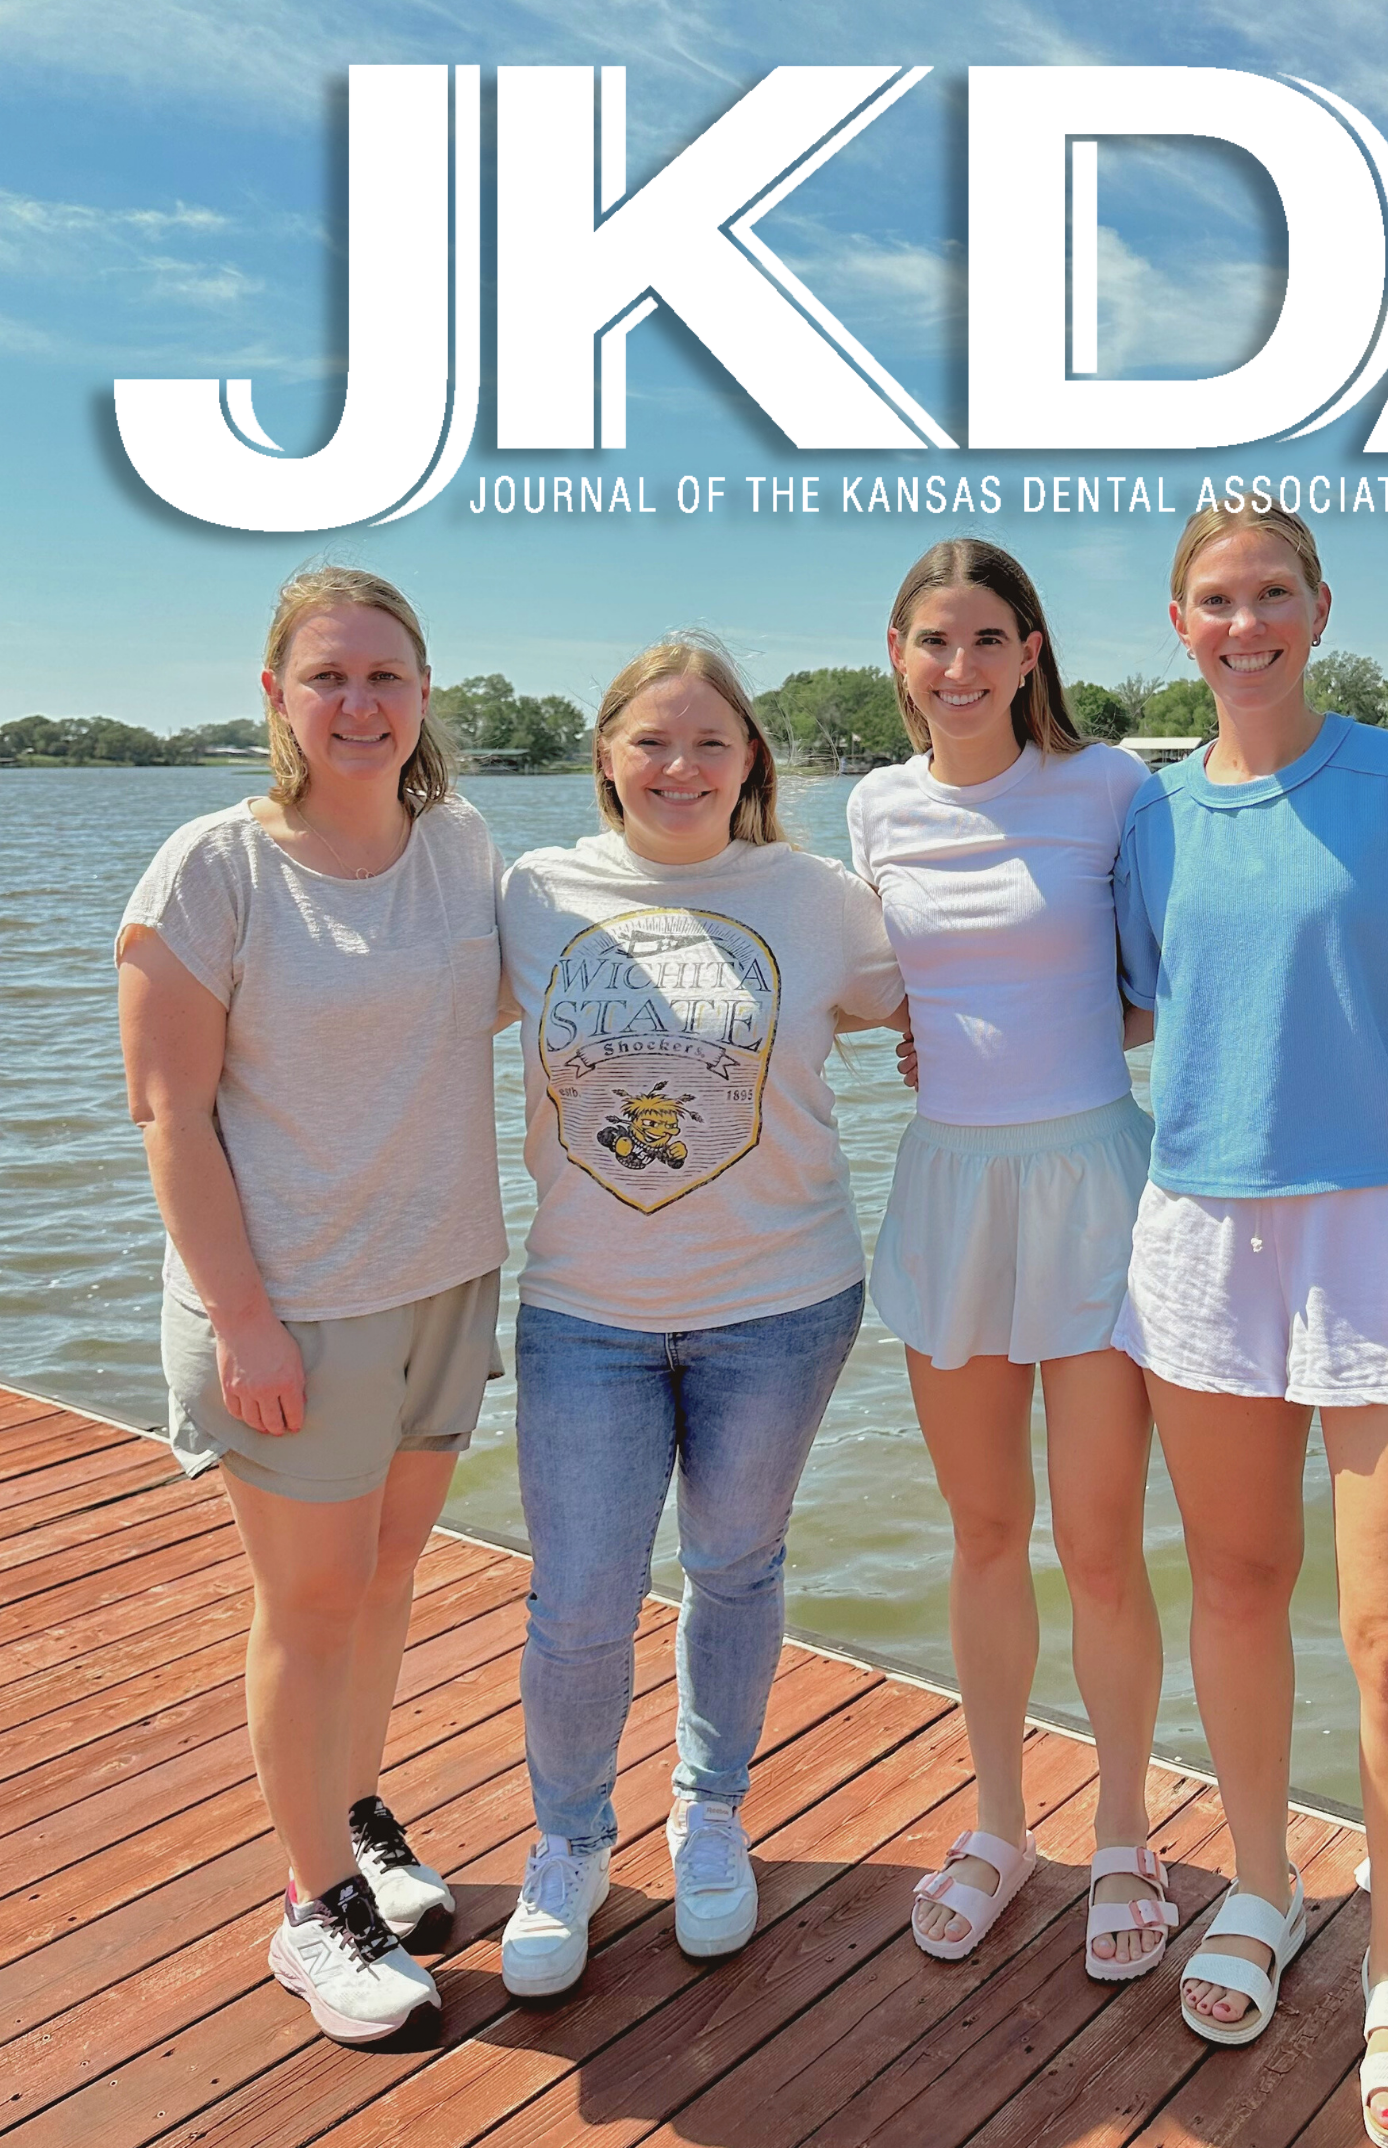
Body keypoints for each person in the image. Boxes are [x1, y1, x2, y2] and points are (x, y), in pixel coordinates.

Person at [1113, 506, 1388, 2143]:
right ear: (1180, 623)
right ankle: (1269, 1885)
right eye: (1216, 601)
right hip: (1202, 1235)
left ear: (1318, 609)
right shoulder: (1148, 820)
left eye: (1271, 594)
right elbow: (1136, 1008)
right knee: (1233, 1581)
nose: (1245, 624)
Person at [117, 566, 506, 2045]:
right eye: (329, 676)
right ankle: (307, 1909)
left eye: (386, 678)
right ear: (274, 693)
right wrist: (244, 1319)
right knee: (310, 1599)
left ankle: (353, 1823)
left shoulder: (461, 846)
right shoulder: (213, 869)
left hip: (445, 1281)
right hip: (287, 1303)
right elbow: (169, 1114)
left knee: (390, 1584)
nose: (360, 704)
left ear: (422, 699)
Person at [495, 633, 905, 1997]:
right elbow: (390, 1015)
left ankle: (709, 1808)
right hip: (585, 1312)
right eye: (652, 741)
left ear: (753, 762)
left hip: (781, 1303)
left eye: (710, 743)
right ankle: (568, 1843)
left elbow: (969, 1006)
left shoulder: (820, 896)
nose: (681, 767)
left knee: (735, 1564)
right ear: (607, 755)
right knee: (581, 1601)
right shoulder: (529, 891)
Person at [848, 540, 1172, 1978]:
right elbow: (870, 986)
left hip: (1095, 1181)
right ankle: (997, 1825)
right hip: (949, 1188)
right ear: (900, 658)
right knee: (985, 1534)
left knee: (1099, 1548)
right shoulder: (871, 807)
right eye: (934, 642)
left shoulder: (1114, 788)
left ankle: (1121, 1834)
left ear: (1032, 650)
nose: (960, 668)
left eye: (987, 640)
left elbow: (1161, 993)